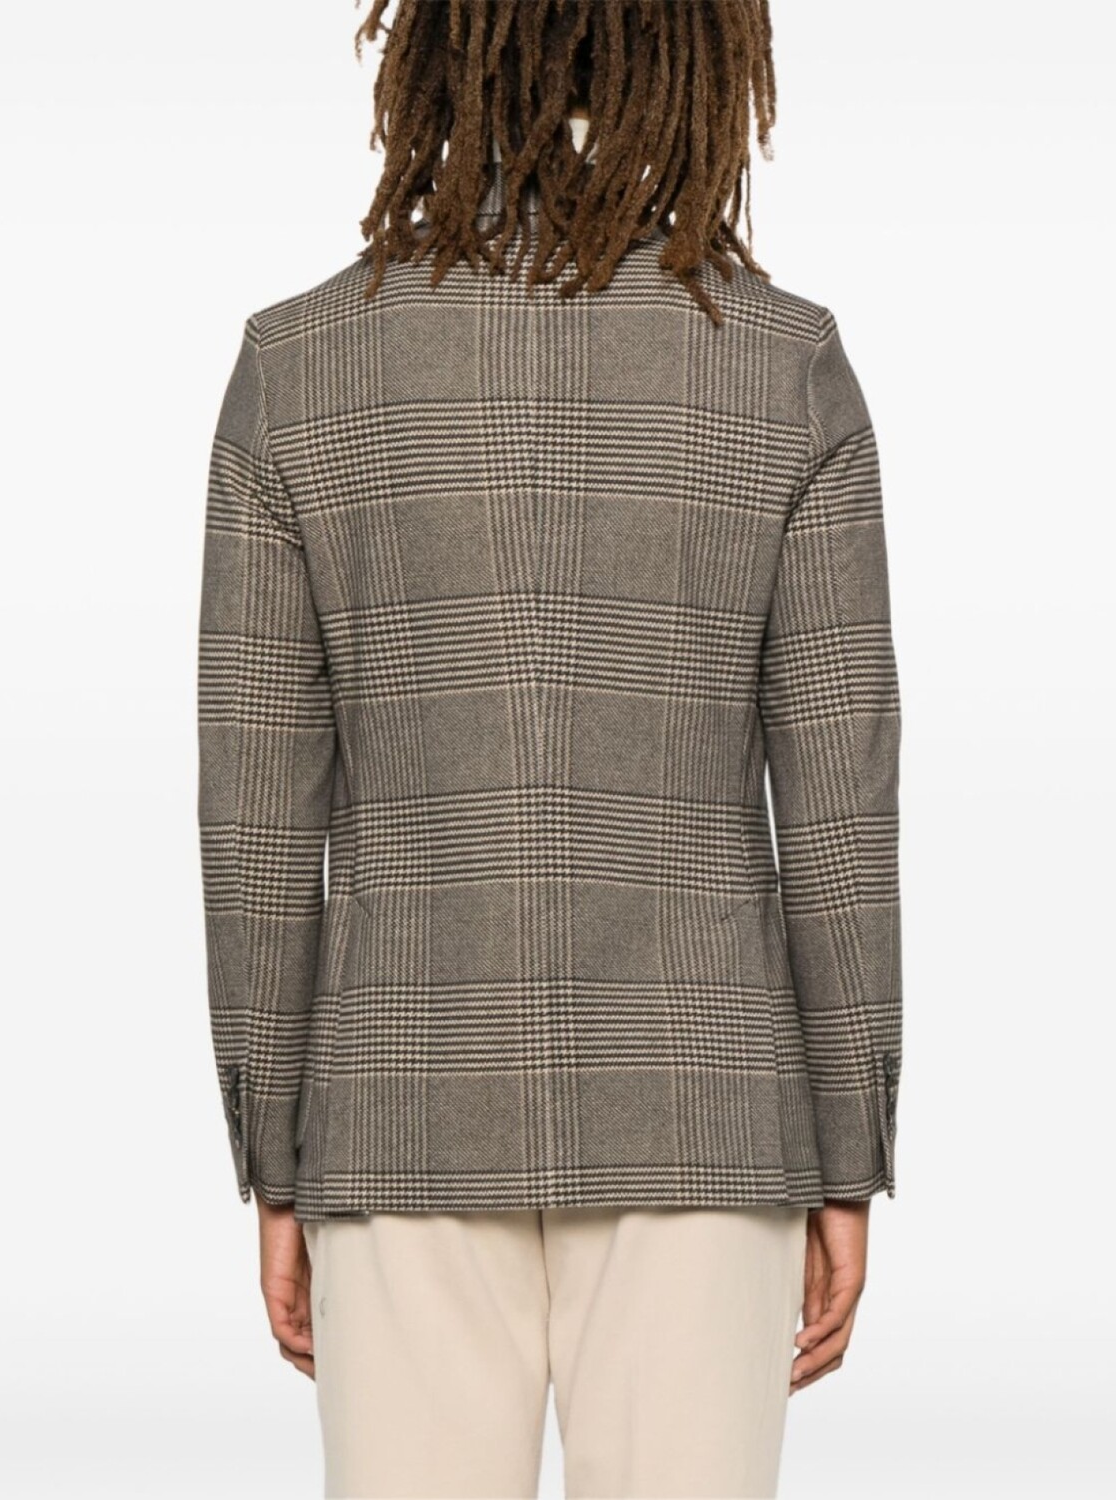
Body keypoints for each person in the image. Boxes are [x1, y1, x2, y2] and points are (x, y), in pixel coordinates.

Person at [196, 3, 903, 1496]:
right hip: (706, 1111)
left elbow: (254, 816)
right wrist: (846, 1151)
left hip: (396, 1110)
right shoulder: (783, 368)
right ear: (702, 60)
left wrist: (277, 1151)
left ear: (435, 55)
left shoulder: (298, 368)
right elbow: (842, 808)